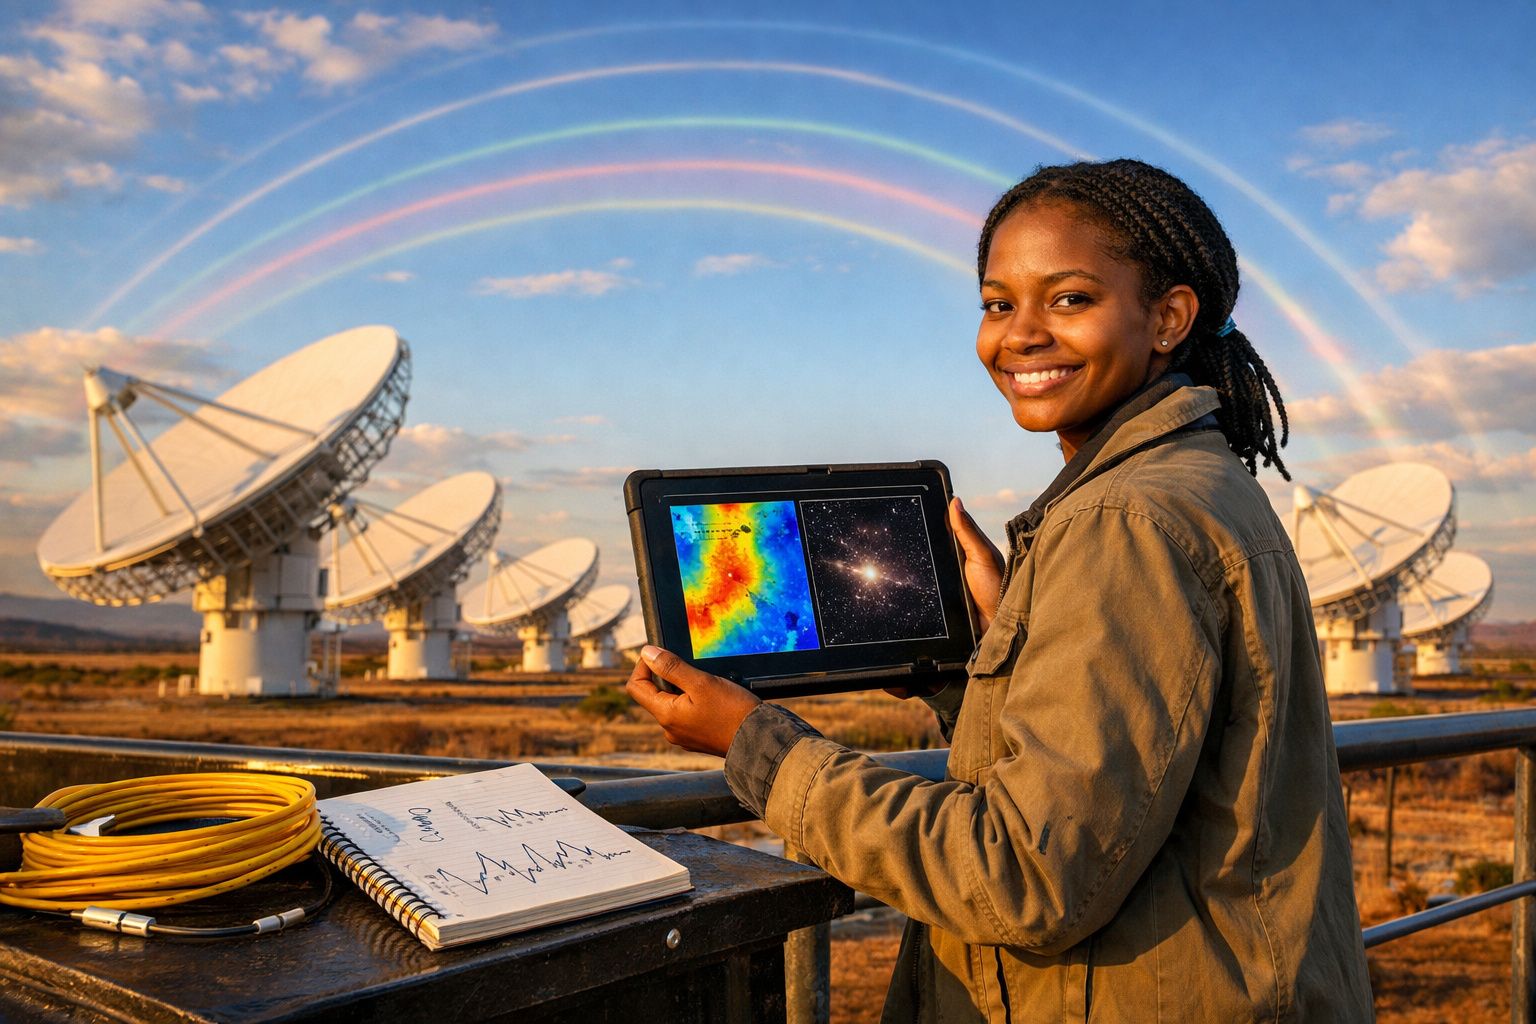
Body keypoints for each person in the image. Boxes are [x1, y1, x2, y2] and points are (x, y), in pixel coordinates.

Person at [627, 158, 1374, 1022]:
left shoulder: (1127, 521)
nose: (1019, 334)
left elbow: (1024, 877)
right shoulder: (1194, 481)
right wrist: (986, 664)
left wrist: (757, 748)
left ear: (1168, 317)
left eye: (1070, 299)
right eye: (996, 303)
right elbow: (1138, 768)